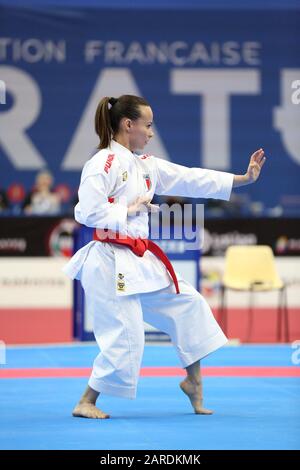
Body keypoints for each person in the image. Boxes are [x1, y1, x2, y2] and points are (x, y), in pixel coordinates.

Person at [63, 94, 266, 419]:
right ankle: (86, 401)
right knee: (126, 339)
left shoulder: (147, 165)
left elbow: (191, 177)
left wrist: (242, 179)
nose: (151, 133)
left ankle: (193, 382)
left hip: (140, 259)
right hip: (108, 261)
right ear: (129, 125)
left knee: (189, 305)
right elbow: (85, 211)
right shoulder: (102, 163)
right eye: (148, 125)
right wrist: (128, 209)